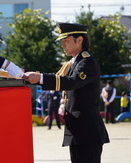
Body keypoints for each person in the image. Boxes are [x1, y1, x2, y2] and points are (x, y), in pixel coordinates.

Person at [24, 22, 109, 163]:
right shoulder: (74, 63)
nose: (63, 45)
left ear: (80, 40)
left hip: (87, 132)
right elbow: (62, 79)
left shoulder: (87, 63)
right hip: (78, 130)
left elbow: (71, 82)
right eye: (62, 41)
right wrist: (31, 77)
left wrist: (40, 78)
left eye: (66, 41)